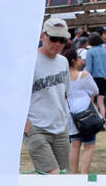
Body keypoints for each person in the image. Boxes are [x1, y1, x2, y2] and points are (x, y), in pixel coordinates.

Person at [21, 17, 72, 176]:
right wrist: (27, 126)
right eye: (53, 38)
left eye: (62, 40)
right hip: (36, 127)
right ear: (43, 36)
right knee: (53, 173)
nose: (57, 44)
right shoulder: (29, 62)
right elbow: (16, 98)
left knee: (63, 175)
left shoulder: (63, 62)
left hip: (60, 128)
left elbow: (64, 93)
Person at [65, 46, 103, 174]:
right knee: (89, 145)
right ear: (74, 60)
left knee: (74, 145)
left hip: (71, 114)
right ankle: (84, 173)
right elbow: (95, 91)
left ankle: (74, 173)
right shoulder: (83, 75)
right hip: (86, 112)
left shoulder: (62, 78)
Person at [84, 32, 106, 114]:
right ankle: (103, 119)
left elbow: (88, 68)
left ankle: (94, 117)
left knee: (91, 100)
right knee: (101, 101)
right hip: (105, 78)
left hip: (94, 78)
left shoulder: (90, 52)